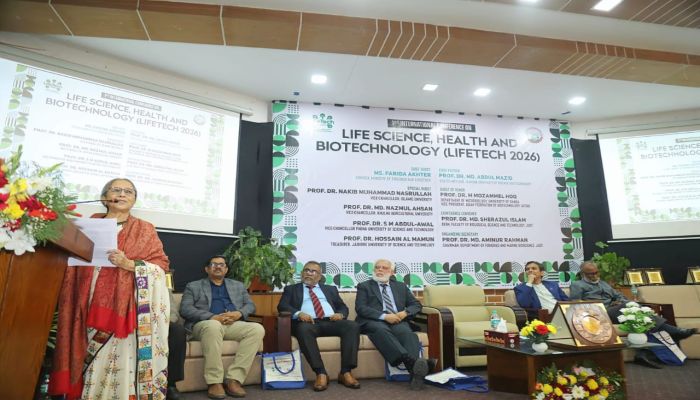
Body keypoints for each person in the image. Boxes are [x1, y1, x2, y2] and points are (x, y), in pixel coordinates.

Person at [50, 178, 170, 399]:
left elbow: (161, 266)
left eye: (129, 191)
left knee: (119, 363)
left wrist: (130, 264)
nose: (122, 194)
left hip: (125, 310)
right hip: (85, 303)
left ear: (134, 200)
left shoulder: (145, 230)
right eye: (116, 190)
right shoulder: (85, 226)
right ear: (104, 198)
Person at [570, 260, 697, 368]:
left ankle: (644, 354)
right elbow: (576, 305)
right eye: (591, 274)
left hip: (615, 310)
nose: (594, 275)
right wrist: (602, 306)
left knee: (637, 313)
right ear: (583, 274)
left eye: (596, 272)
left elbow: (619, 296)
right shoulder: (577, 285)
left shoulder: (603, 283)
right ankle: (673, 330)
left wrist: (622, 302)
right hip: (599, 313)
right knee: (630, 307)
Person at [179, 255, 265, 399]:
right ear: (207, 269)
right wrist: (212, 316)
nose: (218, 267)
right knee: (213, 326)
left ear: (226, 269)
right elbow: (185, 309)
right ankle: (214, 381)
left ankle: (234, 379)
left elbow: (250, 305)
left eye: (222, 265)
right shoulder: (193, 286)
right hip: (205, 324)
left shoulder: (238, 285)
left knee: (257, 329)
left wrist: (239, 313)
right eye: (214, 264)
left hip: (231, 324)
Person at [277, 261, 361, 391]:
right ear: (302, 273)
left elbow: (342, 307)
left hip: (331, 321)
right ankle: (321, 373)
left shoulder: (330, 289)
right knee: (303, 329)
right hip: (307, 323)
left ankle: (345, 372)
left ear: (320, 276)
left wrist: (340, 314)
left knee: (352, 326)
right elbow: (282, 306)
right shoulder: (291, 289)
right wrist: (299, 314)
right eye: (306, 270)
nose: (309, 273)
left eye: (313, 271)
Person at [355, 259, 430, 390]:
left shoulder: (400, 286)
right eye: (377, 267)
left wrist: (405, 313)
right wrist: (385, 316)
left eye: (384, 268)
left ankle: (415, 376)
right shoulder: (364, 286)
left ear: (392, 272)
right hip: (374, 320)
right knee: (380, 329)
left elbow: (416, 304)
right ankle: (411, 363)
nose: (380, 270)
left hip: (397, 320)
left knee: (407, 333)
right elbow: (361, 308)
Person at [168, 290, 187, 400]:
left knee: (178, 331)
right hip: (132, 324)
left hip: (161, 323)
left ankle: (170, 384)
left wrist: (165, 323)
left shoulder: (161, 283)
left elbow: (173, 311)